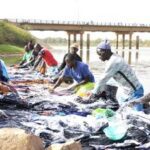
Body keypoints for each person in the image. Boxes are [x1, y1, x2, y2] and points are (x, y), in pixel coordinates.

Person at [88, 40, 144, 111]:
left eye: (99, 54)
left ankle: (143, 104)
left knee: (138, 115)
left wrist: (94, 94)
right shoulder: (113, 58)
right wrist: (101, 91)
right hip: (126, 92)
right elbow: (109, 80)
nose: (99, 56)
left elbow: (103, 79)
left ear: (105, 51)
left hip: (135, 91)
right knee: (122, 112)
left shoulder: (114, 62)